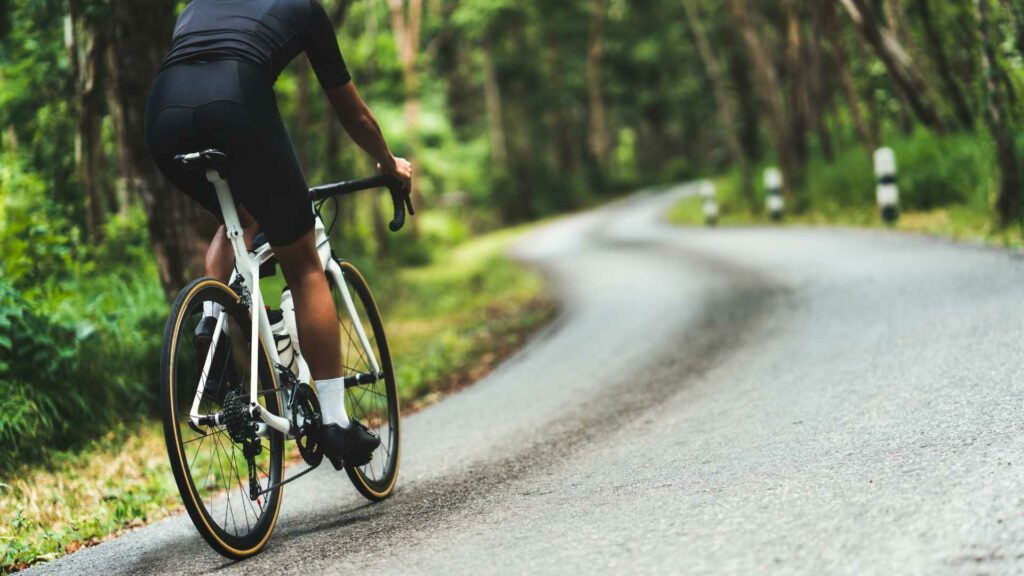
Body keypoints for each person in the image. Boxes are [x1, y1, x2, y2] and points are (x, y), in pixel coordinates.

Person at [145, 0, 412, 468]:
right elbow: (355, 116)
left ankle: (212, 312)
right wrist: (389, 165)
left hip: (163, 114)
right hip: (236, 100)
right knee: (305, 264)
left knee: (240, 219)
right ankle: (334, 423)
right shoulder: (304, 8)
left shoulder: (195, 7)